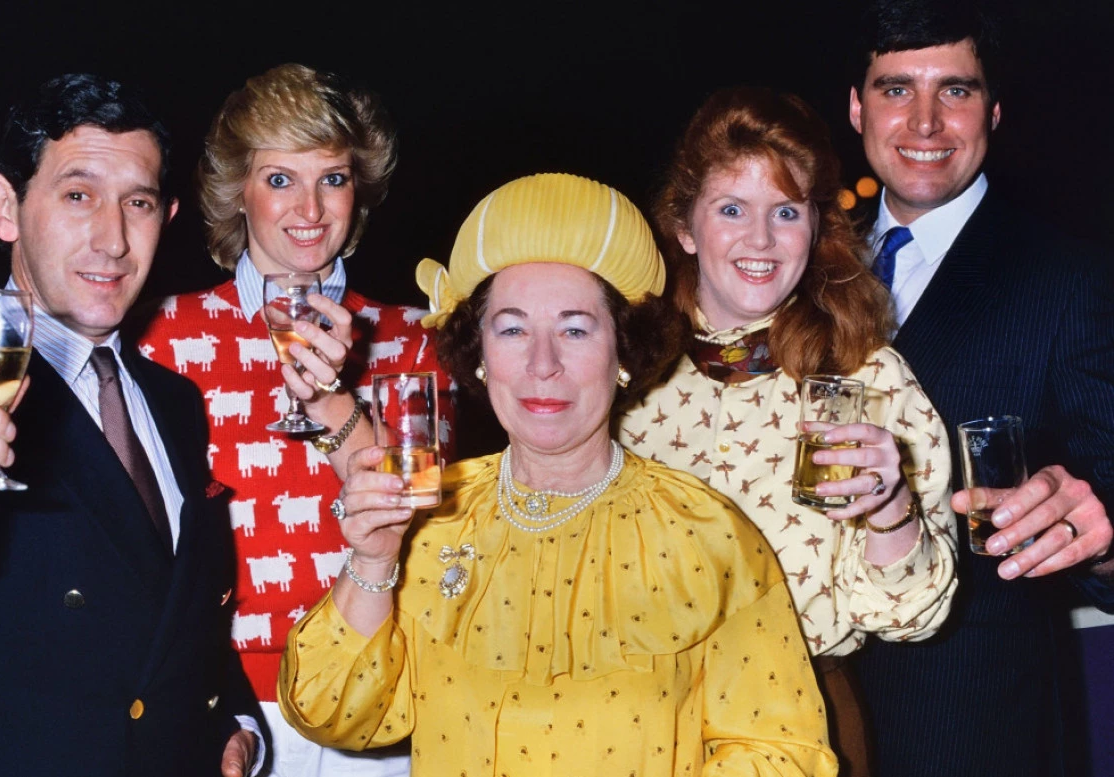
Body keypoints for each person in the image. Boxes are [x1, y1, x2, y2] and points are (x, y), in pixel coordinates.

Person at [277, 173, 839, 776]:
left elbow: (784, 755)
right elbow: (332, 714)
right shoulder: (431, 519)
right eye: (512, 328)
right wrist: (373, 561)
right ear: (480, 353)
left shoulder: (707, 533)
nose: (542, 364)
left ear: (623, 350)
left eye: (574, 328)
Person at [619, 87, 957, 776]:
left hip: (804, 716)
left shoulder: (870, 376)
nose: (761, 239)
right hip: (635, 719)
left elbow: (912, 617)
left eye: (786, 211)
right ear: (684, 227)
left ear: (815, 227)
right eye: (731, 209)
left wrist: (889, 506)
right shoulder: (624, 374)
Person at [136, 63, 452, 777]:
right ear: (237, 193)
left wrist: (333, 401)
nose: (310, 208)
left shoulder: (413, 336)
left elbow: (423, 524)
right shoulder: (164, 335)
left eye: (332, 178)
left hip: (376, 693)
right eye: (280, 178)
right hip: (219, 706)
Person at [0, 74, 261, 776]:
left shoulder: (175, 400)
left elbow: (178, 618)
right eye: (78, 195)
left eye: (138, 202)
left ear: (167, 216)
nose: (113, 239)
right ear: (5, 207)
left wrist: (234, 724)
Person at [846, 2, 1114, 775]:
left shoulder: (1067, 280)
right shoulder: (800, 262)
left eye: (955, 91)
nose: (924, 122)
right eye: (896, 89)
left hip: (967, 727)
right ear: (857, 108)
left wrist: (1101, 542)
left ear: (992, 111)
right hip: (792, 707)